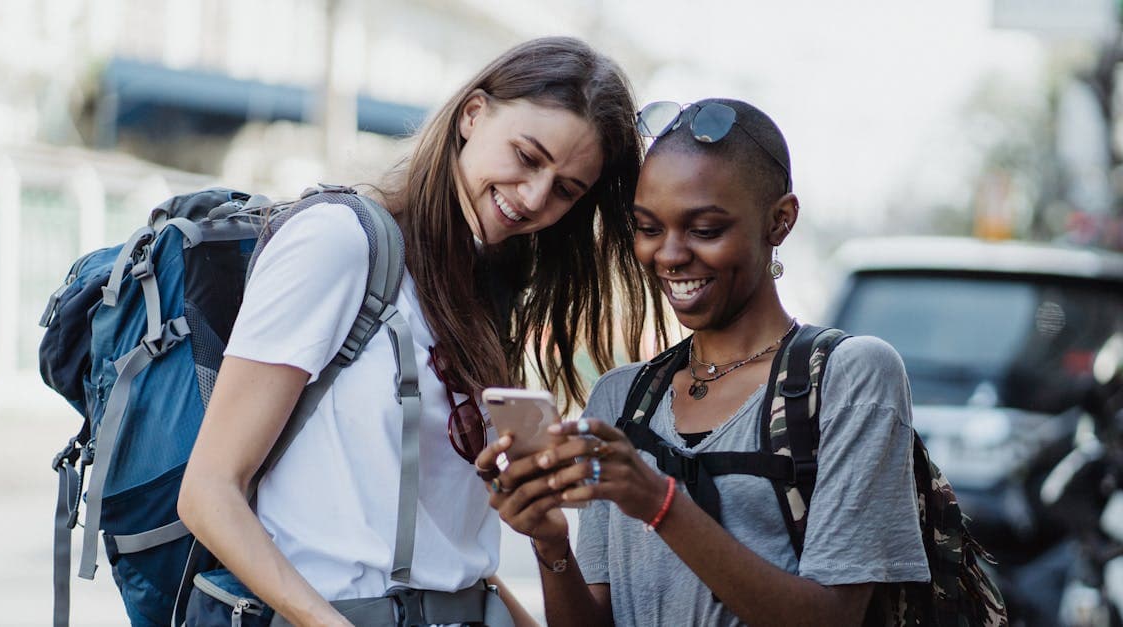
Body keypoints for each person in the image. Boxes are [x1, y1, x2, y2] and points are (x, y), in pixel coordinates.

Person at [177, 37, 665, 626]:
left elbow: (449, 554)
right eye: (527, 157)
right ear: (472, 115)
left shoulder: (481, 293)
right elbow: (208, 492)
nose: (535, 197)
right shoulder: (340, 242)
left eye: (566, 190)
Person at [479, 98, 930, 626]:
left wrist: (660, 503)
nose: (669, 255)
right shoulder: (621, 399)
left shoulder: (847, 377)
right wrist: (549, 544)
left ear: (780, 221)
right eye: (649, 228)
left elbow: (831, 618)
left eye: (705, 230)